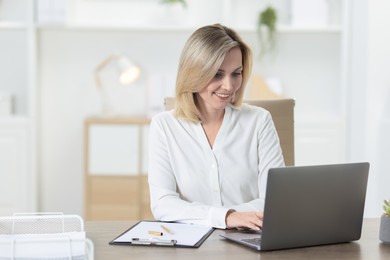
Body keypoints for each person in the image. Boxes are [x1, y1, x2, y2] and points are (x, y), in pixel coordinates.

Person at [148, 24, 284, 230]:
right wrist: (226, 217)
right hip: (191, 245)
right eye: (217, 74)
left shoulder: (259, 121)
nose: (229, 86)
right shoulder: (164, 126)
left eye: (236, 73)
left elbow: (276, 201)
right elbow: (163, 204)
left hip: (249, 239)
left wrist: (219, 217)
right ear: (194, 73)